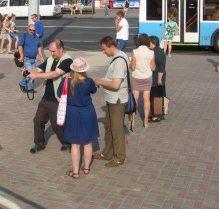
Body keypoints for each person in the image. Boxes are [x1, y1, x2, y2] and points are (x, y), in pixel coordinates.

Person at [26, 39, 72, 154]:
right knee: (37, 120)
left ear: (61, 49)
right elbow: (39, 68)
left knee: (57, 124)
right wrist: (29, 71)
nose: (51, 53)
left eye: (54, 51)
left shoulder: (67, 60)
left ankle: (67, 142)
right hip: (46, 97)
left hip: (58, 98)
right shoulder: (50, 59)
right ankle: (39, 143)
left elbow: (55, 74)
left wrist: (36, 76)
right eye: (50, 51)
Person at [57, 57, 98, 179]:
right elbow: (94, 90)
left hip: (72, 112)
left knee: (75, 144)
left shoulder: (66, 81)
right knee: (88, 142)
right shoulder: (88, 81)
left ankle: (75, 172)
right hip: (88, 112)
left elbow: (59, 96)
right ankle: (86, 168)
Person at [93, 36, 128, 167]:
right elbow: (113, 79)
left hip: (117, 100)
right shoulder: (120, 56)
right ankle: (107, 153)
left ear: (112, 47)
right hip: (112, 99)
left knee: (116, 129)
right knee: (109, 126)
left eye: (104, 49)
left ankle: (119, 157)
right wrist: (103, 80)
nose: (103, 52)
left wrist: (100, 82)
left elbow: (115, 85)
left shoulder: (119, 61)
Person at [130, 33, 155, 129]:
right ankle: (145, 121)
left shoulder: (135, 51)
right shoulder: (151, 52)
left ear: (139, 41)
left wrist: (129, 64)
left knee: (134, 99)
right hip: (147, 77)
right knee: (146, 99)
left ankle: (133, 119)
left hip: (136, 76)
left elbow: (133, 67)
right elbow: (153, 68)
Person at [18, 24, 45, 93]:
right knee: (30, 73)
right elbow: (20, 45)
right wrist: (21, 55)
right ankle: (30, 88)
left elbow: (39, 47)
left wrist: (41, 56)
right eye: (30, 30)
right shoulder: (24, 35)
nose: (32, 31)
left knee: (29, 73)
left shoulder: (36, 37)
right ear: (28, 29)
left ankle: (22, 83)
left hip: (33, 59)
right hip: (27, 59)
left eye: (33, 30)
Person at [148, 36, 167, 122]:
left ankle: (156, 116)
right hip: (155, 77)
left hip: (158, 77)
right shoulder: (155, 51)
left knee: (157, 95)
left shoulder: (158, 52)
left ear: (153, 43)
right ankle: (155, 114)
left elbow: (161, 67)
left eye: (149, 42)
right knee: (155, 95)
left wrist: (159, 79)